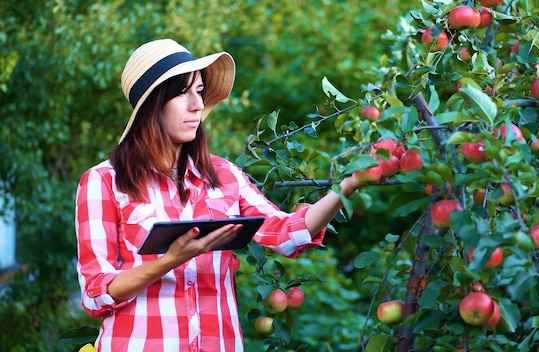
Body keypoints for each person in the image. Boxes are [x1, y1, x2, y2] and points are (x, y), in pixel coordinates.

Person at [75, 38, 363, 352]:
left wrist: (347, 185)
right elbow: (95, 293)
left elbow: (286, 232)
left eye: (199, 92)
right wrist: (170, 260)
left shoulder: (222, 175)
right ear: (152, 105)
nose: (197, 105)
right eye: (183, 93)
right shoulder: (104, 181)